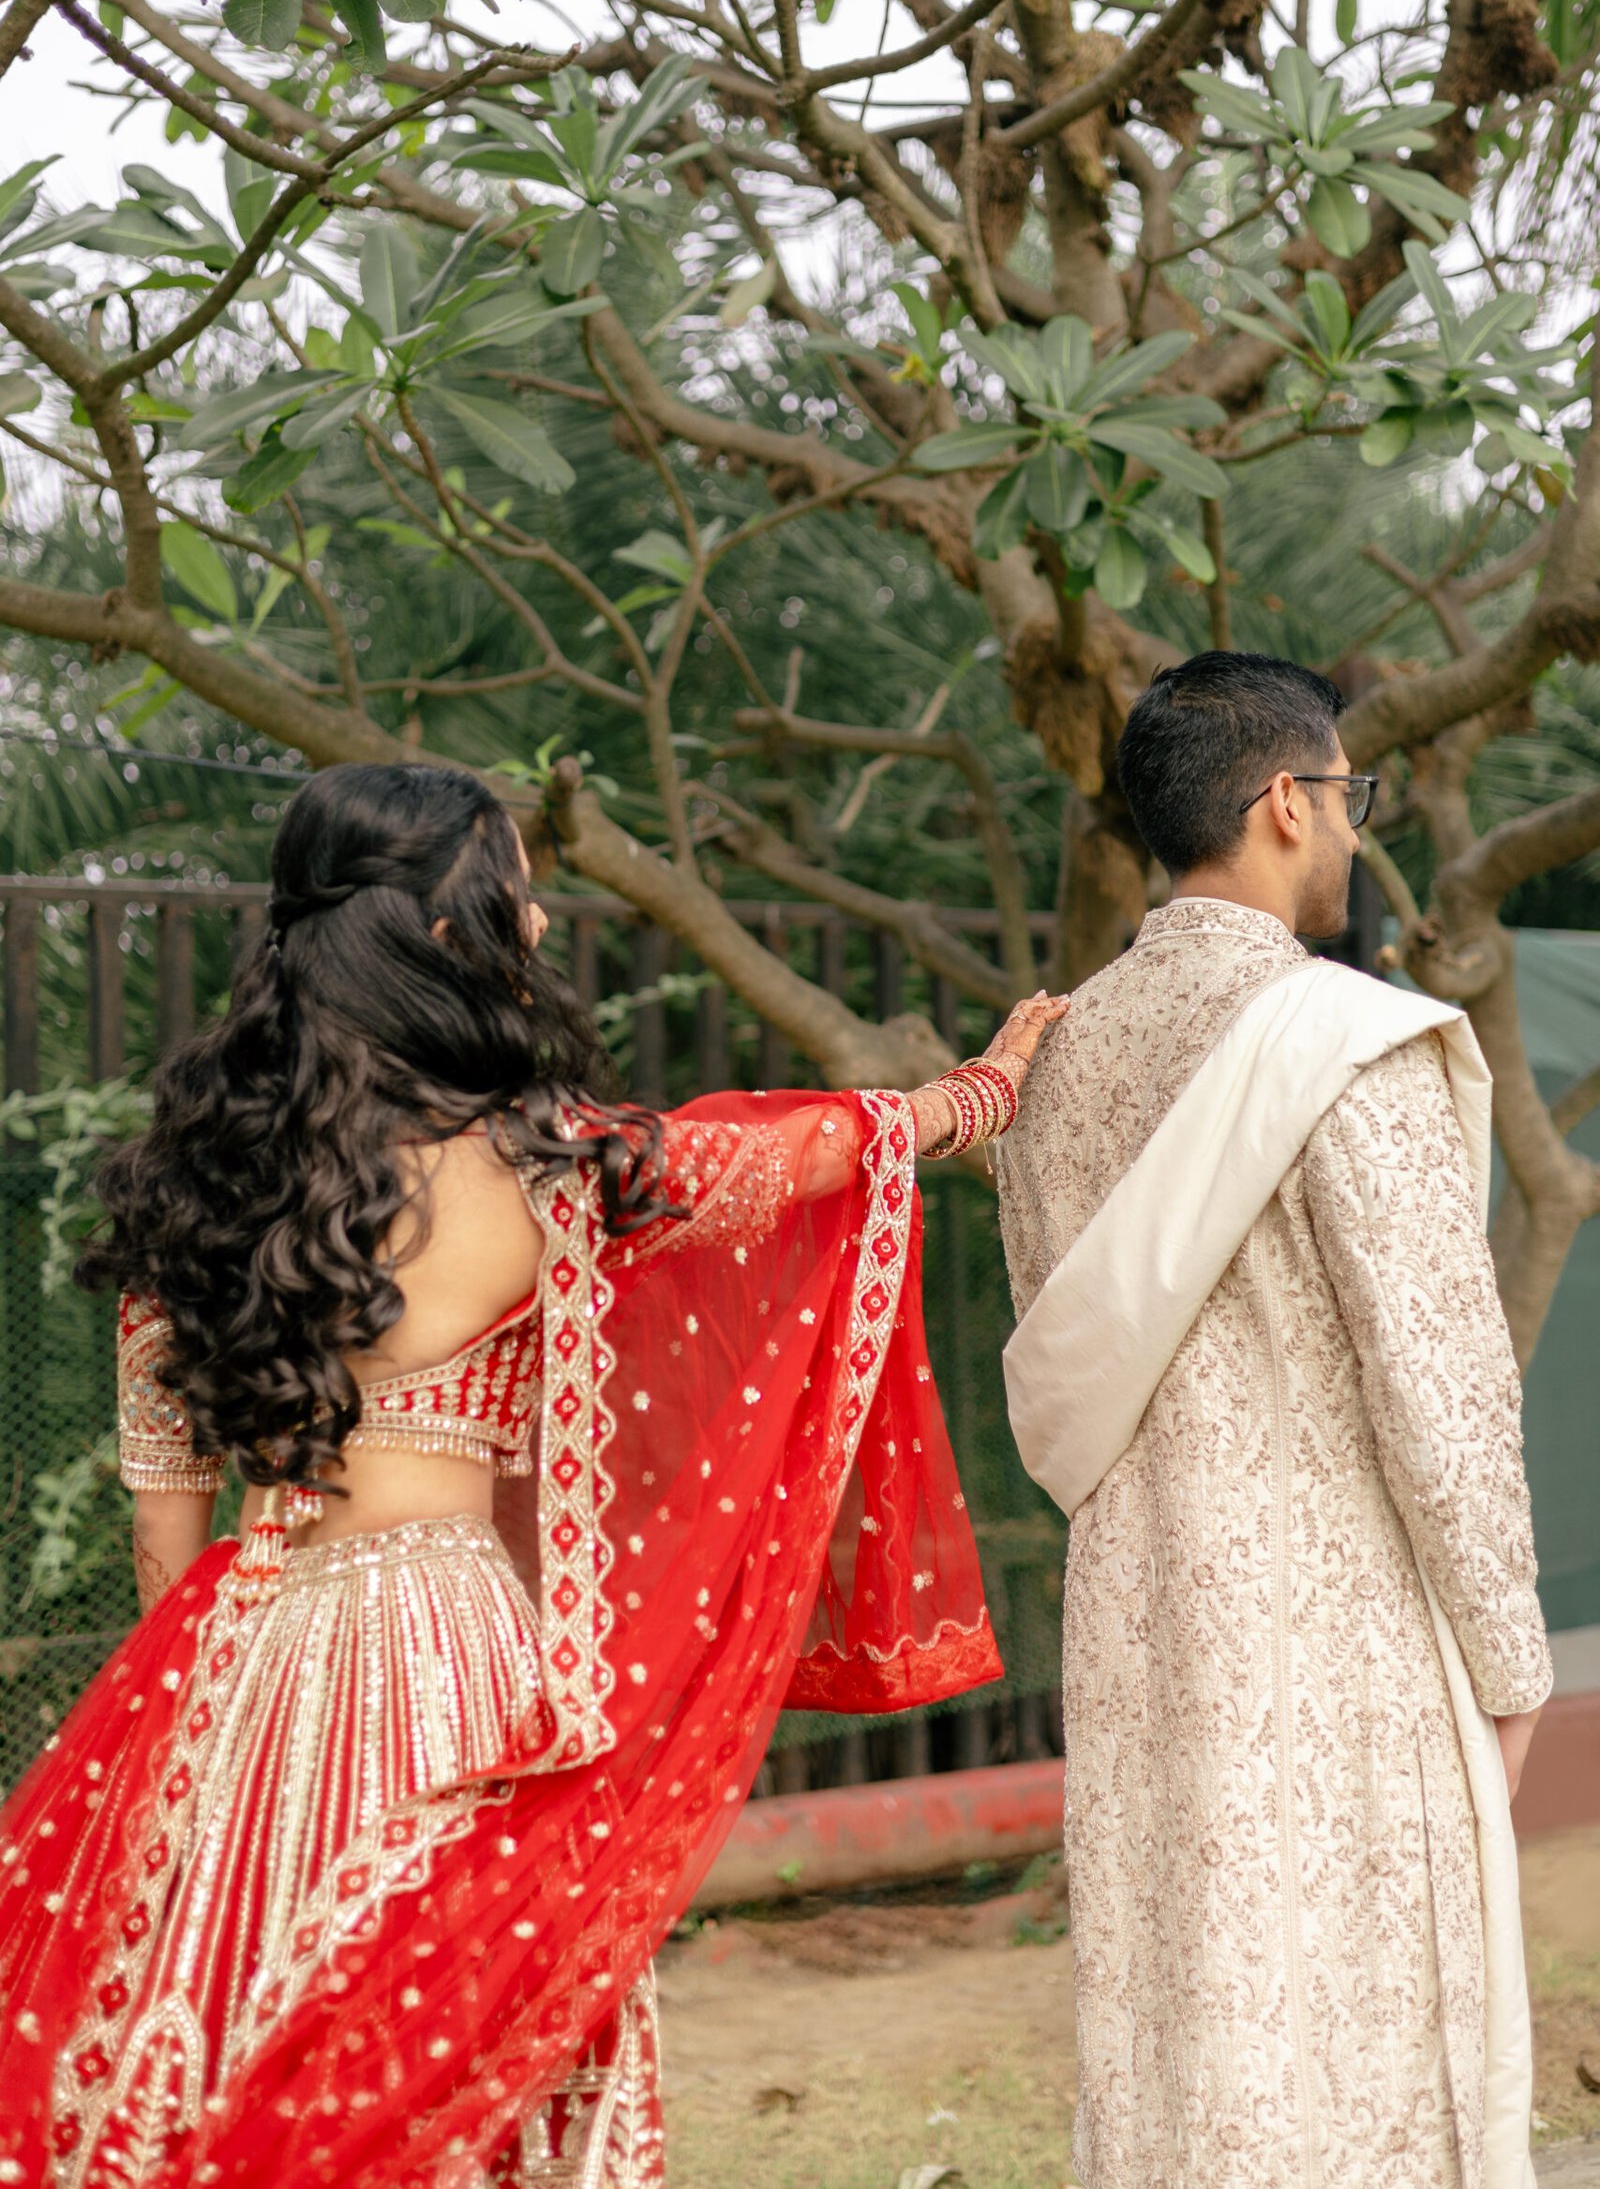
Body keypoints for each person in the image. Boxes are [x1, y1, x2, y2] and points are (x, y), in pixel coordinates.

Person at [0, 761, 1067, 2189]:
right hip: (443, 1655)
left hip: (240, 1664)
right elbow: (787, 1158)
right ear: (446, 933)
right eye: (517, 889)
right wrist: (970, 1097)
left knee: (226, 2022)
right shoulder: (540, 1164)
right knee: (456, 2032)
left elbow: (162, 1533)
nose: (544, 920)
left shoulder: (191, 1182)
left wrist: (197, 1748)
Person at [996, 651, 1551, 2189]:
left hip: (1141, 1632)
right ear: (1288, 804)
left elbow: (1063, 1368)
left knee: (1180, 2039)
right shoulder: (1347, 1040)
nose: (1354, 831)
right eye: (1349, 799)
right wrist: (1509, 1665)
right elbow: (1441, 1384)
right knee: (1360, 2055)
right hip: (1341, 1636)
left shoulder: (1051, 1060)